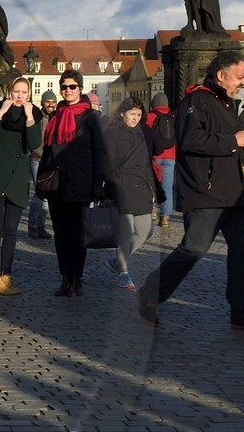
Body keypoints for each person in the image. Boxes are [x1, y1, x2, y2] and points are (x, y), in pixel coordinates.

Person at [137, 50, 244, 331]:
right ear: (221, 75)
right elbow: (190, 140)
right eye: (239, 77)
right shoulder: (197, 100)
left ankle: (243, 312)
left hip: (236, 191)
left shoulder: (238, 103)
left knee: (242, 254)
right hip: (206, 190)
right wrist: (233, 140)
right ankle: (150, 294)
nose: (243, 82)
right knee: (193, 249)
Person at [36, 69, 107, 297]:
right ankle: (65, 277)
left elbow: (100, 152)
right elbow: (47, 151)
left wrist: (98, 185)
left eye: (72, 87)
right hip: (57, 185)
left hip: (81, 183)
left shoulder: (90, 118)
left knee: (77, 236)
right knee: (61, 234)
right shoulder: (56, 115)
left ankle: (76, 278)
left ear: (80, 89)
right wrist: (41, 179)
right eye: (64, 87)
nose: (67, 90)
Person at [0, 75, 41, 297]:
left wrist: (28, 118)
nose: (20, 96)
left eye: (24, 92)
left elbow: (34, 144)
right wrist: (0, 112)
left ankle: (7, 275)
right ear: (9, 92)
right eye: (16, 91)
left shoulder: (33, 113)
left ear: (29, 94)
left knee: (11, 231)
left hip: (18, 179)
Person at [103, 96, 156, 290]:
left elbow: (164, 144)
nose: (135, 118)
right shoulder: (113, 133)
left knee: (145, 231)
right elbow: (108, 163)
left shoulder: (145, 133)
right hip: (122, 186)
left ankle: (118, 261)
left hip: (141, 187)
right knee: (125, 232)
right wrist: (110, 189)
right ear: (123, 113)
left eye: (139, 115)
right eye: (132, 114)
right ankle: (123, 273)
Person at [145, 92, 177, 227]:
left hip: (154, 156)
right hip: (170, 156)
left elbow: (146, 136)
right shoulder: (174, 116)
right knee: (167, 187)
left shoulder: (150, 116)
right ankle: (164, 217)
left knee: (151, 184)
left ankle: (152, 210)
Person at [28, 90, 56, 238]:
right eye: (48, 101)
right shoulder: (38, 117)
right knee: (40, 193)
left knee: (46, 193)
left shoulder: (57, 117)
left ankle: (40, 226)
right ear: (43, 103)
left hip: (50, 160)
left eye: (53, 101)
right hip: (37, 158)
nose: (50, 104)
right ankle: (33, 225)